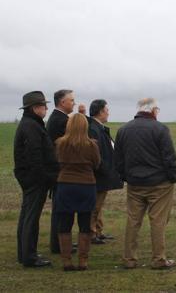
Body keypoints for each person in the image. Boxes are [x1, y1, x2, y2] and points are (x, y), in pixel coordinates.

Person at [115, 98, 176, 270]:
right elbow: (169, 157)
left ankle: (129, 259)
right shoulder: (160, 129)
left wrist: (126, 176)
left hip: (135, 183)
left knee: (133, 221)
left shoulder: (123, 130)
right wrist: (173, 177)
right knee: (158, 221)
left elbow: (118, 159)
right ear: (153, 110)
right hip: (159, 184)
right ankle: (159, 259)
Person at [14, 91, 59, 267]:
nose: (46, 108)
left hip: (30, 177)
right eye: (43, 106)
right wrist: (45, 178)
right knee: (31, 218)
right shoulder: (31, 126)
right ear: (34, 108)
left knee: (27, 216)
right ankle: (29, 257)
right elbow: (35, 156)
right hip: (34, 179)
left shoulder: (31, 124)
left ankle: (24, 253)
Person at [54, 114, 101, 271]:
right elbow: (97, 164)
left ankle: (66, 260)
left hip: (65, 185)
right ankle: (83, 260)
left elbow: (57, 162)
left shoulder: (60, 144)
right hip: (86, 186)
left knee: (65, 224)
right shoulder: (91, 145)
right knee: (85, 224)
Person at [87, 99, 123, 245]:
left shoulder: (98, 127)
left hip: (103, 174)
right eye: (107, 110)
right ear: (100, 112)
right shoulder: (93, 129)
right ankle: (91, 233)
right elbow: (96, 154)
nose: (108, 113)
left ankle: (98, 230)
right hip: (99, 175)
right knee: (94, 206)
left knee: (99, 206)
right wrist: (105, 170)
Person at [46, 89, 76, 254]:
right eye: (71, 100)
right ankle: (59, 244)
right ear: (62, 102)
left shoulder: (57, 118)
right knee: (61, 210)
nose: (74, 103)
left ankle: (61, 242)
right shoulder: (61, 120)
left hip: (58, 170)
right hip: (61, 171)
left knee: (61, 209)